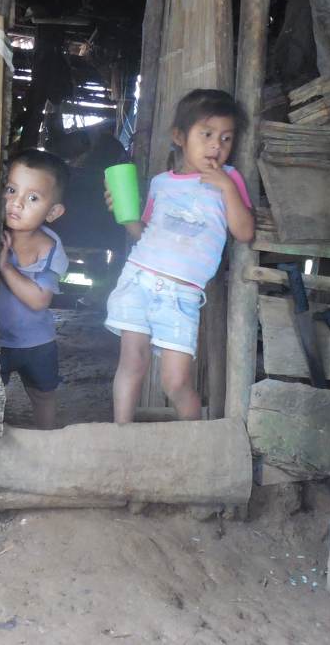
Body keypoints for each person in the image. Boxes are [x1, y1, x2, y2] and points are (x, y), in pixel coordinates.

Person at [104, 89, 255, 424]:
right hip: (139, 278)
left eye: (226, 138)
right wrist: (125, 213)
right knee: (133, 361)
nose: (217, 146)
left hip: (182, 295)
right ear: (179, 137)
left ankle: (198, 449)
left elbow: (244, 232)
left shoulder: (230, 180)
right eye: (207, 135)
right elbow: (143, 233)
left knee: (176, 381)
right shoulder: (161, 183)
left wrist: (227, 188)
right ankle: (120, 435)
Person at [0, 149, 70, 429]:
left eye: (32, 198)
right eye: (11, 189)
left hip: (36, 343)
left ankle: (46, 439)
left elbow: (40, 300)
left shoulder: (50, 248)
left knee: (43, 395)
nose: (16, 203)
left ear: (53, 212)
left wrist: (5, 267)